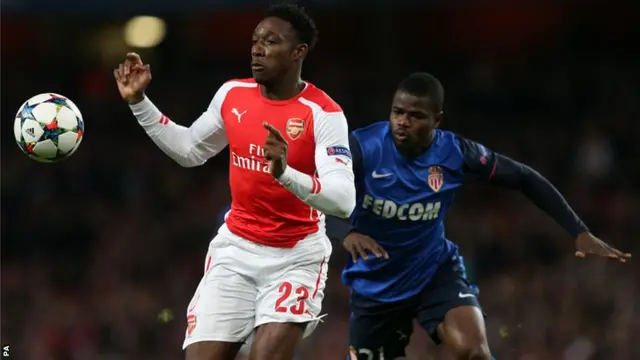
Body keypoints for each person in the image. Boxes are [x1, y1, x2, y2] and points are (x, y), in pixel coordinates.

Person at [326, 72, 631, 360]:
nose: (403, 122)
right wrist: (347, 233)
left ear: (437, 120)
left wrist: (578, 231)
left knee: (475, 352)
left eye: (415, 115)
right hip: (376, 285)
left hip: (433, 272)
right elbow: (317, 198)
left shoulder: (455, 152)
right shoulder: (363, 148)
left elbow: (524, 177)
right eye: (397, 112)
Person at [113, 4, 356, 360]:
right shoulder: (232, 95)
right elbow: (190, 150)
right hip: (236, 252)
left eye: (271, 42)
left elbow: (344, 200)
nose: (257, 49)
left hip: (296, 257)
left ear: (298, 52)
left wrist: (285, 173)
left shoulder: (323, 113)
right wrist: (139, 103)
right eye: (255, 40)